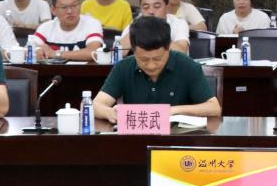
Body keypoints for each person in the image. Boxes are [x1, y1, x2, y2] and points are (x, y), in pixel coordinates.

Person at [93, 16, 221, 122]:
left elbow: (214, 108)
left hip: (177, 139)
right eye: (143, 59)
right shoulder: (123, 67)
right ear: (133, 50)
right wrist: (110, 113)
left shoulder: (187, 66)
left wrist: (172, 111)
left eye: (157, 59)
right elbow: (95, 105)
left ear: (168, 47)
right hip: (136, 138)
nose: (151, 65)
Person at [31, 0, 104, 61]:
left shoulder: (92, 24)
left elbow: (93, 52)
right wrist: (38, 51)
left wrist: (55, 54)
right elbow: (29, 50)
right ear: (53, 10)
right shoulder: (45, 28)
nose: (70, 11)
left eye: (74, 5)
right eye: (64, 7)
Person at [117, 0, 190, 54]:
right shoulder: (136, 23)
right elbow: (118, 53)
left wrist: (156, 32)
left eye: (156, 6)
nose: (151, 11)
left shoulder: (178, 23)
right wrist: (137, 30)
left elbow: (181, 53)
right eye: (146, 7)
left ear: (167, 6)